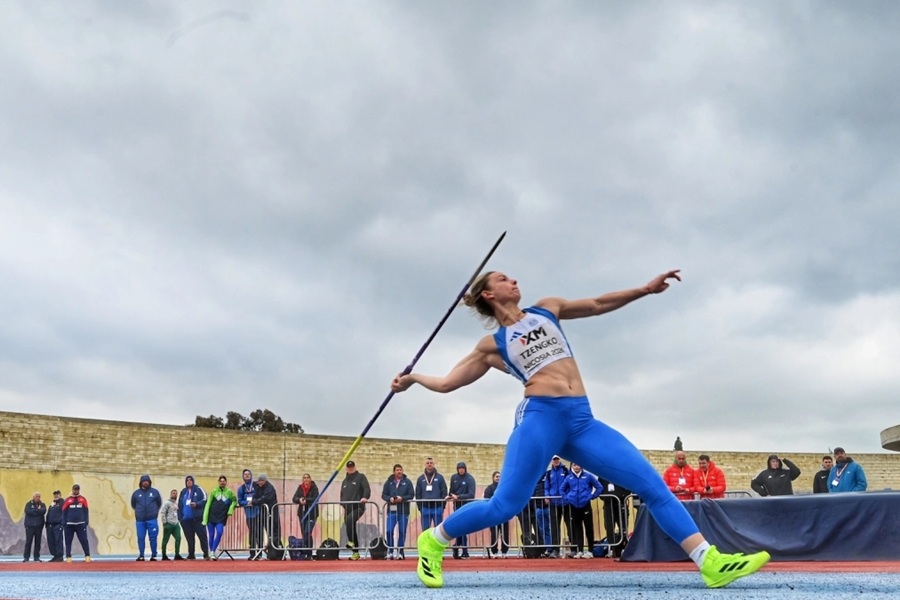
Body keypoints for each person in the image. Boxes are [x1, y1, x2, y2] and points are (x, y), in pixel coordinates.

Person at [391, 269, 769, 589]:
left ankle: (709, 562)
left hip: (581, 420)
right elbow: (448, 383)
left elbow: (598, 304)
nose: (514, 280)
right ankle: (434, 540)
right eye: (504, 279)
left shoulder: (547, 309)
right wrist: (413, 379)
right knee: (505, 506)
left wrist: (644, 290)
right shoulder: (493, 344)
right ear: (489, 293)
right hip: (540, 417)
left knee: (652, 485)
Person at [560, 464, 602, 558]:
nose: (576, 467)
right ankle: (580, 550)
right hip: (574, 506)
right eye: (574, 465)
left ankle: (590, 551)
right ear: (571, 466)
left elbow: (599, 487)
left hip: (586, 505)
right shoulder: (568, 477)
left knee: (589, 528)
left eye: (578, 465)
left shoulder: (588, 476)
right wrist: (568, 498)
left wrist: (591, 496)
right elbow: (562, 489)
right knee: (577, 529)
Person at [382, 463, 415, 560]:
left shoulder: (407, 482)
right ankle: (390, 551)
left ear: (402, 471)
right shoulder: (388, 482)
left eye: (400, 470)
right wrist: (390, 499)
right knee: (389, 530)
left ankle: (400, 552)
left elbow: (411, 495)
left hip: (403, 511)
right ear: (394, 472)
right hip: (392, 510)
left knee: (402, 531)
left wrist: (402, 498)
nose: (399, 471)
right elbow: (384, 495)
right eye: (397, 470)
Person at [340, 461, 370, 560]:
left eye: (352, 467)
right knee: (350, 527)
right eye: (349, 467)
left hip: (358, 507)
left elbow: (366, 488)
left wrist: (365, 497)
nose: (351, 468)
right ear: (346, 469)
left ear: (355, 467)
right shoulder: (344, 481)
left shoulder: (361, 477)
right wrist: (343, 503)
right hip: (347, 508)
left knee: (349, 521)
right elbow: (342, 494)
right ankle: (355, 553)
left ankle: (351, 542)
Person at [203, 475, 237, 559]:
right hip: (211, 516)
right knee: (211, 534)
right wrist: (205, 518)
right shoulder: (214, 491)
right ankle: (212, 553)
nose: (222, 482)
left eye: (224, 481)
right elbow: (208, 504)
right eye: (221, 481)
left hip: (221, 517)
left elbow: (234, 501)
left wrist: (230, 510)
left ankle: (212, 551)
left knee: (219, 532)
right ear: (218, 482)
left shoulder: (229, 492)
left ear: (226, 482)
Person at [597, 476, 632, 558]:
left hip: (621, 504)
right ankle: (612, 548)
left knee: (623, 527)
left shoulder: (621, 475)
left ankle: (621, 548)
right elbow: (599, 488)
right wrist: (605, 497)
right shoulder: (602, 476)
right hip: (608, 505)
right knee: (609, 527)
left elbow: (630, 487)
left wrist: (622, 496)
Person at [448, 461, 476, 559]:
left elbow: (471, 494)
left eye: (463, 468)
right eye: (459, 468)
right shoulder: (454, 478)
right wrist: (450, 496)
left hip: (466, 507)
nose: (461, 470)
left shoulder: (470, 479)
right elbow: (451, 491)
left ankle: (464, 551)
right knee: (459, 528)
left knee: (464, 529)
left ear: (465, 469)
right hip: (457, 507)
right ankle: (457, 546)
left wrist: (458, 496)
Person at [131, 474, 162, 561]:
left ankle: (154, 555)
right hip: (140, 520)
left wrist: (154, 512)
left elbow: (159, 503)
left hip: (152, 519)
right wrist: (139, 512)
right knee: (140, 537)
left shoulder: (155, 492)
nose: (145, 483)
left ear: (149, 482)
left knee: (153, 537)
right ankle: (141, 555)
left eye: (147, 481)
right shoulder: (136, 493)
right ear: (141, 483)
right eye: (144, 481)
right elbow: (133, 505)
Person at [543, 455, 570, 557]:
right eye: (554, 459)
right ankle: (555, 550)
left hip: (566, 503)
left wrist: (568, 497)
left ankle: (573, 548)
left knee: (569, 526)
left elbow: (570, 485)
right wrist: (546, 496)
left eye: (557, 459)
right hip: (554, 503)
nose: (556, 460)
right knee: (554, 527)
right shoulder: (549, 473)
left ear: (560, 460)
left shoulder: (566, 471)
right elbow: (547, 487)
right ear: (551, 461)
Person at [178, 475, 209, 560]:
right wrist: (180, 518)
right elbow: (180, 504)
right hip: (186, 520)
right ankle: (191, 554)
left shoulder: (198, 489)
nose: (189, 481)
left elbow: (205, 499)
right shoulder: (183, 492)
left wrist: (197, 504)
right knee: (189, 538)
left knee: (202, 536)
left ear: (193, 481)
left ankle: (206, 553)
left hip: (197, 518)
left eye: (190, 480)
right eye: (187, 480)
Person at [415, 458, 448, 532]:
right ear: (425, 464)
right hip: (425, 508)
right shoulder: (420, 478)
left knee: (439, 530)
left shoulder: (440, 477)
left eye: (431, 463)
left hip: (437, 507)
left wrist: (442, 506)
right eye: (427, 463)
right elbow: (418, 493)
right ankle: (427, 544)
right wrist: (420, 507)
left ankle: (437, 544)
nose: (429, 464)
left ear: (434, 464)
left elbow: (444, 491)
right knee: (425, 530)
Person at [237, 469, 263, 560]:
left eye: (248, 474)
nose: (247, 475)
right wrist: (246, 503)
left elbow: (261, 496)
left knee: (259, 533)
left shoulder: (256, 485)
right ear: (243, 476)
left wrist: (255, 502)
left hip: (258, 512)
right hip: (249, 514)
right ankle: (252, 554)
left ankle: (259, 553)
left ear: (251, 475)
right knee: (252, 533)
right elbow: (240, 501)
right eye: (245, 474)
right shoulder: (241, 488)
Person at [254, 473, 282, 558]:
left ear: (265, 480)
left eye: (262, 480)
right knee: (270, 533)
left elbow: (265, 498)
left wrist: (255, 501)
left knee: (274, 532)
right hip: (265, 513)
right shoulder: (258, 487)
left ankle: (276, 553)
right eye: (259, 480)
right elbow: (255, 496)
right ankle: (273, 553)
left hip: (272, 513)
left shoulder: (270, 488)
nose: (260, 482)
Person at [292, 473, 319, 559]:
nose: (306, 479)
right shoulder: (300, 488)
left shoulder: (314, 487)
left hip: (311, 514)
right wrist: (299, 500)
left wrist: (306, 500)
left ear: (310, 479)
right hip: (302, 513)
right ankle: (307, 553)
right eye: (304, 478)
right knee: (304, 533)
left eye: (308, 478)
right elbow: (294, 498)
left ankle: (309, 553)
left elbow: (316, 498)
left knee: (308, 531)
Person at [62, 484, 91, 562]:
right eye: (75, 489)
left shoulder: (83, 499)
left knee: (84, 540)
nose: (76, 491)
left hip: (80, 524)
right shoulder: (68, 500)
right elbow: (64, 511)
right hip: (69, 524)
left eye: (77, 489)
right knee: (68, 541)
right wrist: (64, 522)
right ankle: (68, 556)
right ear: (72, 490)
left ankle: (87, 555)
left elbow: (86, 511)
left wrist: (86, 521)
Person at [483, 471, 510, 558]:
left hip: (504, 515)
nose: (498, 478)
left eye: (499, 476)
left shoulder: (505, 487)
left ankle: (504, 552)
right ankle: (494, 552)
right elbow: (486, 499)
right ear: (493, 478)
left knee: (505, 534)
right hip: (493, 515)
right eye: (496, 476)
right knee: (494, 534)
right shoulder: (489, 488)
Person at [160, 489, 183, 560]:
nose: (175, 494)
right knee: (165, 539)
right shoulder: (167, 503)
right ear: (170, 494)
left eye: (176, 493)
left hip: (176, 523)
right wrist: (164, 522)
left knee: (178, 538)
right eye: (173, 493)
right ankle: (164, 555)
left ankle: (177, 554)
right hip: (169, 523)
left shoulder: (176, 503)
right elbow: (163, 512)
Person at [23, 492, 46, 562]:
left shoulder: (42, 504)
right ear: (33, 497)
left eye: (39, 496)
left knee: (38, 542)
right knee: (28, 541)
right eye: (36, 496)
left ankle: (36, 557)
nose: (37, 498)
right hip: (30, 526)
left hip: (39, 526)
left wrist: (35, 511)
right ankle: (26, 557)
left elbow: (43, 511)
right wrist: (38, 511)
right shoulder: (29, 504)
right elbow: (28, 511)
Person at [45, 490, 64, 562]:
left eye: (57, 494)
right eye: (55, 494)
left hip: (57, 525)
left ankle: (60, 556)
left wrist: (62, 523)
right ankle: (55, 555)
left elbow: (64, 512)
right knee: (51, 541)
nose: (56, 496)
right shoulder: (52, 504)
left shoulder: (62, 502)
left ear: (60, 495)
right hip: (50, 525)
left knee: (58, 540)